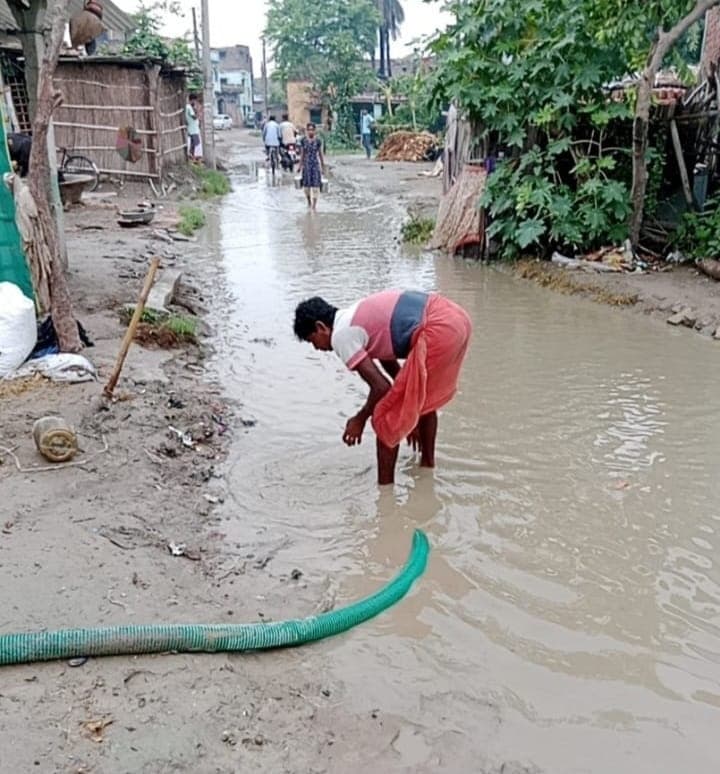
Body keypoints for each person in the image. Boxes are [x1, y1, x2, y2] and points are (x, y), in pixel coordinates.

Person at [293, 290, 472, 485]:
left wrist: (359, 420)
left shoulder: (340, 337)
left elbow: (381, 388)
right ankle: (427, 470)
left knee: (385, 417)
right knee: (421, 400)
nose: (317, 348)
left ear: (321, 327)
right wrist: (409, 413)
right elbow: (388, 359)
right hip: (456, 318)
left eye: (312, 341)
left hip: (437, 328)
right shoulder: (353, 316)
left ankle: (385, 496)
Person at [297, 122, 325, 210]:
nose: (310, 132)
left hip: (315, 165)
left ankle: (314, 206)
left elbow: (320, 154)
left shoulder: (318, 141)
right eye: (309, 130)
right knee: (306, 186)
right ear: (306, 131)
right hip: (306, 165)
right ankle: (309, 201)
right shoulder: (303, 141)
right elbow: (302, 154)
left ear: (315, 131)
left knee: (316, 186)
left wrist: (323, 166)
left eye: (312, 130)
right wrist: (300, 165)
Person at [185, 95, 201, 162]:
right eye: (195, 100)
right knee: (195, 143)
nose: (195, 102)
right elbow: (194, 117)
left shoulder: (189, 107)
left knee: (193, 143)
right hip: (193, 128)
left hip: (193, 128)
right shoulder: (188, 107)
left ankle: (192, 156)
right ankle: (192, 156)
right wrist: (198, 111)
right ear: (192, 100)